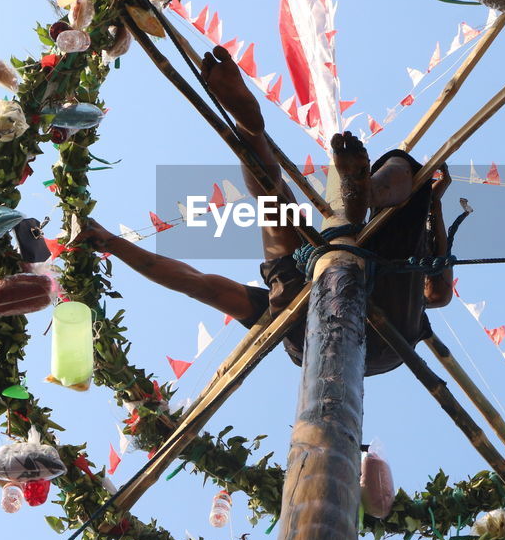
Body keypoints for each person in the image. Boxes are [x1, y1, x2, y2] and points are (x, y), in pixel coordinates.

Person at [78, 45, 453, 376]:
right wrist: (432, 206)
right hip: (384, 335)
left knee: (276, 210)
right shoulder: (408, 296)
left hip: (310, 331)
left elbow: (196, 283)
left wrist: (113, 243)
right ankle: (366, 189)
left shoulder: (274, 313)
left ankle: (258, 135)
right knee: (408, 176)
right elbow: (437, 294)